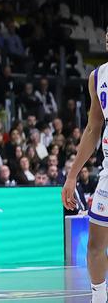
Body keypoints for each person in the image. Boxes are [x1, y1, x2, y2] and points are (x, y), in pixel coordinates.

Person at [63, 41, 108, 303]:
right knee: (94, 246)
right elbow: (93, 129)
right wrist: (71, 176)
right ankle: (99, 299)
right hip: (107, 171)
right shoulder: (97, 76)